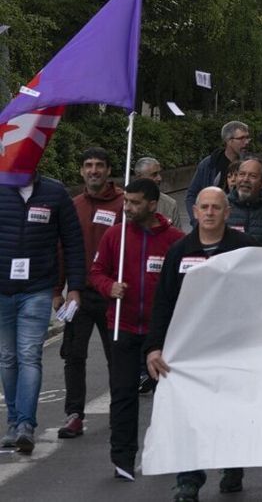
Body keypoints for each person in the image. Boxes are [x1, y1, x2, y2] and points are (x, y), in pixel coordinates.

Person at [146, 187, 256, 500]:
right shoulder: (179, 251)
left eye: (215, 208)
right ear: (195, 212)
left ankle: (233, 463)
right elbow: (163, 303)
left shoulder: (244, 248)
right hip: (189, 352)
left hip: (233, 349)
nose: (209, 213)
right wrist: (154, 347)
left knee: (230, 412)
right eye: (204, 207)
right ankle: (189, 480)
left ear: (227, 212)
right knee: (190, 415)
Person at [87, 178, 184, 480]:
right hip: (123, 326)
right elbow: (97, 271)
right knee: (123, 394)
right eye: (126, 201)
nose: (127, 207)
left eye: (135, 202)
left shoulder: (175, 240)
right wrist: (108, 287)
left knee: (167, 397)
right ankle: (122, 459)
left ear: (153, 205)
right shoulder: (115, 236)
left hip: (162, 333)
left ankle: (170, 453)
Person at [0, 170, 85, 455]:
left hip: (37, 288)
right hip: (1, 290)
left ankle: (25, 425)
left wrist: (74, 286)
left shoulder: (55, 192)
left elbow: (73, 242)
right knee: (8, 357)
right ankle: (13, 422)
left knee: (28, 355)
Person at [55, 148, 124, 439]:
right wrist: (58, 290)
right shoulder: (73, 205)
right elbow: (61, 249)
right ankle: (74, 415)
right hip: (79, 295)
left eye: (99, 165)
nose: (93, 170)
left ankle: (121, 413)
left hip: (112, 294)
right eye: (88, 165)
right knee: (74, 356)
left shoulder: (124, 204)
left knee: (117, 357)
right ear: (81, 171)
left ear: (109, 170)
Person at [185, 120, 250, 222]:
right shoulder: (209, 164)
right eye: (241, 138)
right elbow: (192, 195)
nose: (246, 142)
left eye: (247, 138)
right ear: (228, 140)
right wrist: (196, 221)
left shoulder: (251, 165)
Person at [133, 157, 182, 228]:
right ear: (139, 177)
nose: (159, 178)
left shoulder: (170, 204)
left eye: (159, 173)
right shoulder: (125, 203)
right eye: (154, 174)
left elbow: (179, 237)